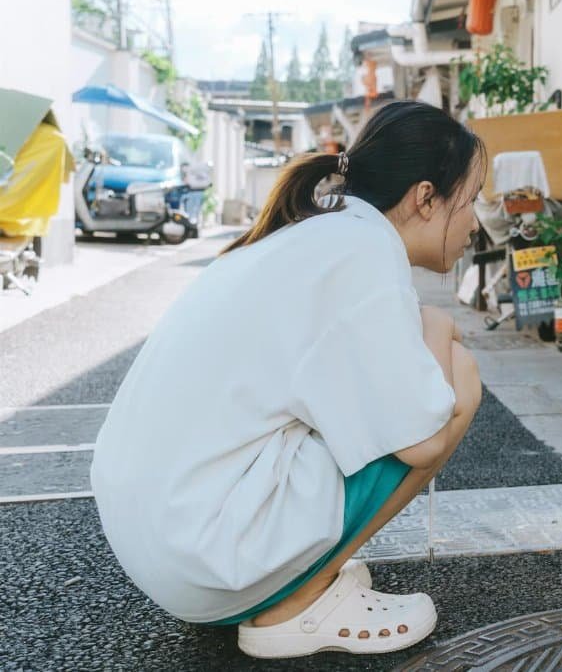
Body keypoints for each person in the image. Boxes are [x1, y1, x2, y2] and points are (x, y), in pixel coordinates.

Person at [90, 101, 485, 659]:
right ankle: (296, 606)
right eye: (471, 201)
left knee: (415, 364)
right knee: (458, 379)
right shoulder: (363, 253)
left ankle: (295, 575)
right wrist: (440, 327)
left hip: (164, 541)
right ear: (425, 198)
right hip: (205, 557)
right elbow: (421, 441)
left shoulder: (320, 235)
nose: (476, 222)